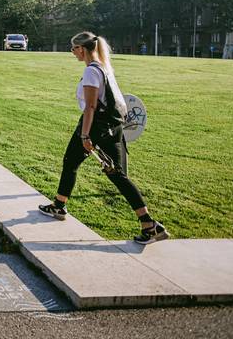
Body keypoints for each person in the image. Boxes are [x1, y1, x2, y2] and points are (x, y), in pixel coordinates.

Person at [38, 31, 170, 245]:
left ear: (81, 49)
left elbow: (91, 106)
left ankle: (149, 224)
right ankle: (59, 204)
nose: (72, 53)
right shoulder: (104, 67)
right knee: (81, 164)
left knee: (109, 173)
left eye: (73, 49)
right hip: (112, 127)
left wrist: (85, 134)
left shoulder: (92, 71)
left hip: (95, 127)